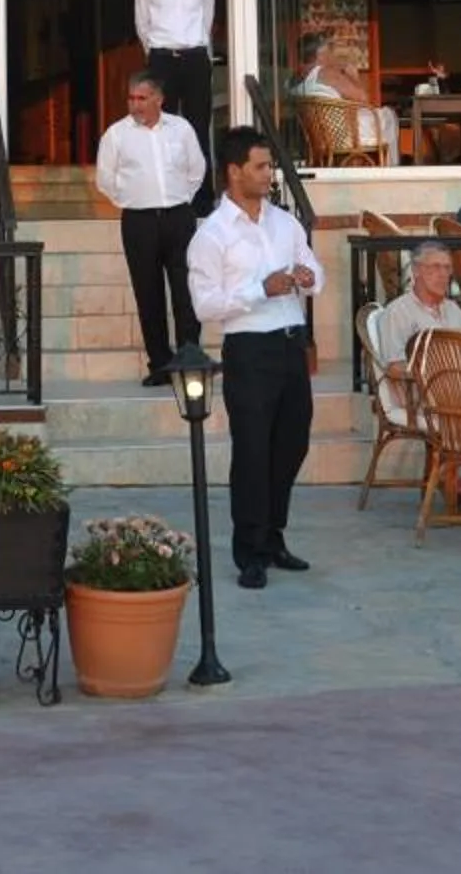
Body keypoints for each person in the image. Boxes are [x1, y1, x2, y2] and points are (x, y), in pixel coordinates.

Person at [187, 126, 319, 590]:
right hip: (249, 350)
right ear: (234, 171)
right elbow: (205, 305)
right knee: (252, 450)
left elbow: (314, 268)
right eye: (261, 167)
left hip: (289, 344)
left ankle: (274, 536)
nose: (270, 174)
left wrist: (307, 276)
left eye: (270, 166)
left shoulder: (285, 222)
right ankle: (250, 550)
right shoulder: (212, 234)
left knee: (292, 442)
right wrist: (258, 290)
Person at [95, 72, 207, 386]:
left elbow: (196, 169)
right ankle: (159, 363)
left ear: (159, 99)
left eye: (142, 98)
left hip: (178, 217)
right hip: (138, 221)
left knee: (186, 290)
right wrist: (130, 199)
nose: (135, 105)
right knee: (148, 293)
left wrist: (182, 197)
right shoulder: (116, 134)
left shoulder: (181, 128)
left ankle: (189, 357)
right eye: (131, 99)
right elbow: (105, 179)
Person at [132, 0, 215, 206]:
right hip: (162, 57)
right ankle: (164, 194)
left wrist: (197, 48)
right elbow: (142, 23)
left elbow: (207, 17)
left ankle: (202, 198)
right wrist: (156, 53)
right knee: (160, 125)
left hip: (194, 57)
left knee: (198, 126)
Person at [290, 31, 396, 165]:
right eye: (330, 51)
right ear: (320, 54)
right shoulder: (325, 73)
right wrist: (354, 77)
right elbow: (363, 98)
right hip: (344, 136)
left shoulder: (297, 79)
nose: (332, 56)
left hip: (320, 138)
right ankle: (390, 167)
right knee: (389, 114)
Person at [373, 241, 461, 376]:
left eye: (447, 268)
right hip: (420, 394)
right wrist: (437, 373)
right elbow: (395, 367)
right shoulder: (398, 312)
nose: (443, 274)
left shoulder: (454, 311)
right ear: (416, 271)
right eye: (435, 267)